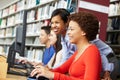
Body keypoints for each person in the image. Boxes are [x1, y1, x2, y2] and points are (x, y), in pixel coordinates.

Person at [30, 11, 102, 80]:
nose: (68, 33)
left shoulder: (92, 51)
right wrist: (46, 71)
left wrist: (53, 75)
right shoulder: (79, 51)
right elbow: (62, 69)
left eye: (71, 29)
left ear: (83, 32)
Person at [50, 8, 116, 80]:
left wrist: (107, 70)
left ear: (66, 23)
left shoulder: (85, 42)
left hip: (109, 59)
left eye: (57, 22)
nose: (53, 26)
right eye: (52, 23)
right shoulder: (66, 38)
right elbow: (66, 58)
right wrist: (49, 71)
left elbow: (99, 54)